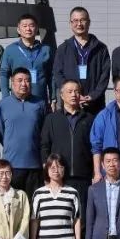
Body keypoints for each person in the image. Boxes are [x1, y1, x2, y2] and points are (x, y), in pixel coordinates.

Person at [40, 79, 95, 209]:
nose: (73, 95)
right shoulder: (52, 119)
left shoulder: (89, 119)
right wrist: (47, 173)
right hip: (59, 177)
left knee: (81, 214)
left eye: (76, 91)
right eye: (69, 91)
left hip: (83, 176)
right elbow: (44, 146)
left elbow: (94, 147)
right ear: (61, 95)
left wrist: (95, 172)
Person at [0, 68, 47, 196]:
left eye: (27, 80)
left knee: (33, 203)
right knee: (13, 202)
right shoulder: (3, 105)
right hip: (12, 165)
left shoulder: (40, 104)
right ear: (12, 83)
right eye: (20, 80)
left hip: (34, 164)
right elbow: (0, 132)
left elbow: (44, 132)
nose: (24, 84)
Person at [52, 6, 110, 114]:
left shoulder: (101, 48)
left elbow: (105, 75)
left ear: (89, 22)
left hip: (95, 104)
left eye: (82, 20)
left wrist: (93, 96)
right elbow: (57, 73)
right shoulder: (63, 48)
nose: (79, 24)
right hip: (70, 105)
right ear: (70, 23)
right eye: (75, 20)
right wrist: (70, 94)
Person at [1, 12, 54, 106]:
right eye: (24, 26)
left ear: (36, 29)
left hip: (40, 101)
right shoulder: (10, 50)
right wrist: (5, 98)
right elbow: (4, 74)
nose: (28, 29)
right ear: (18, 30)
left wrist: (53, 98)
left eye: (31, 26)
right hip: (17, 102)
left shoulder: (46, 50)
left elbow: (52, 76)